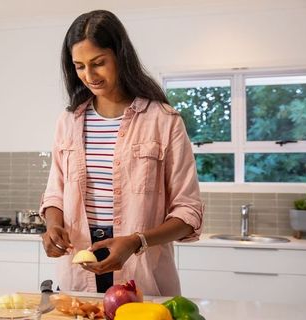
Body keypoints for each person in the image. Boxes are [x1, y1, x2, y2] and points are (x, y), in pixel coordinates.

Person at [39, 9, 204, 296]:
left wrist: (136, 241)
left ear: (120, 56)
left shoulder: (164, 120)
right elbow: (55, 193)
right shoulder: (68, 121)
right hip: (79, 270)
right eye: (79, 66)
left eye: (98, 63)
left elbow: (188, 212)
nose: (89, 76)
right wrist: (53, 225)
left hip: (141, 272)